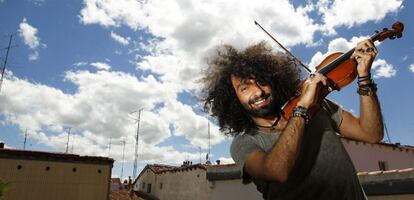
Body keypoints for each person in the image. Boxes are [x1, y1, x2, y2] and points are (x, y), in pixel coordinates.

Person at [201, 40, 383, 199]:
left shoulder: (318, 105)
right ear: (233, 100)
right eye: (244, 88)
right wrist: (302, 109)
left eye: (262, 82)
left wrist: (364, 77)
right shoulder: (244, 143)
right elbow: (277, 171)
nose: (258, 91)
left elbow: (371, 134)